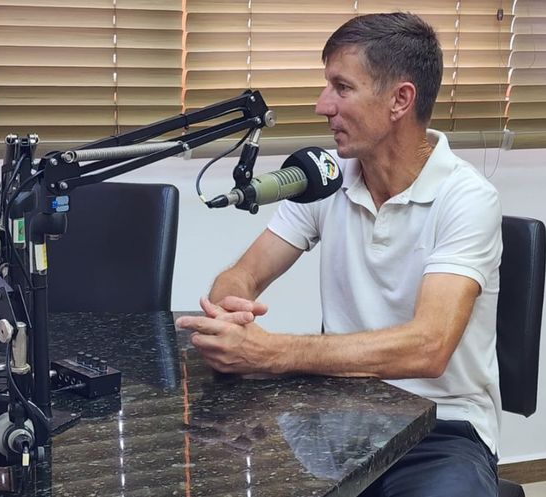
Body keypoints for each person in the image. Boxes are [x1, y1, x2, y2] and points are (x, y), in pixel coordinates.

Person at [175, 12, 502, 497]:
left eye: (341, 87)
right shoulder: (326, 179)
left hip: (443, 427)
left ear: (400, 99)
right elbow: (244, 274)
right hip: (337, 410)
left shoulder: (468, 199)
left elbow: (429, 347)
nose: (322, 105)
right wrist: (230, 313)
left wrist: (272, 353)